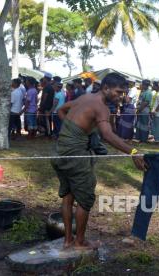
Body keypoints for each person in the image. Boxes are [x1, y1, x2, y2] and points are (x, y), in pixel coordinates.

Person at [51, 73, 147, 250]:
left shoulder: (84, 98)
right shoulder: (101, 107)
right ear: (106, 88)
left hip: (60, 153)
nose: (121, 96)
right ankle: (79, 242)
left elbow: (61, 110)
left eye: (124, 93)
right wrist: (133, 152)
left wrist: (78, 131)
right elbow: (108, 135)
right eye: (118, 92)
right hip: (76, 157)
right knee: (85, 200)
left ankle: (67, 240)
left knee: (68, 196)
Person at [39, 73, 55, 137]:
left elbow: (44, 98)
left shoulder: (47, 87)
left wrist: (41, 106)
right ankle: (47, 132)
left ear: (45, 78)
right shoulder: (51, 87)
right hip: (49, 106)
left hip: (46, 107)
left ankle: (48, 133)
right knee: (48, 120)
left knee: (47, 120)